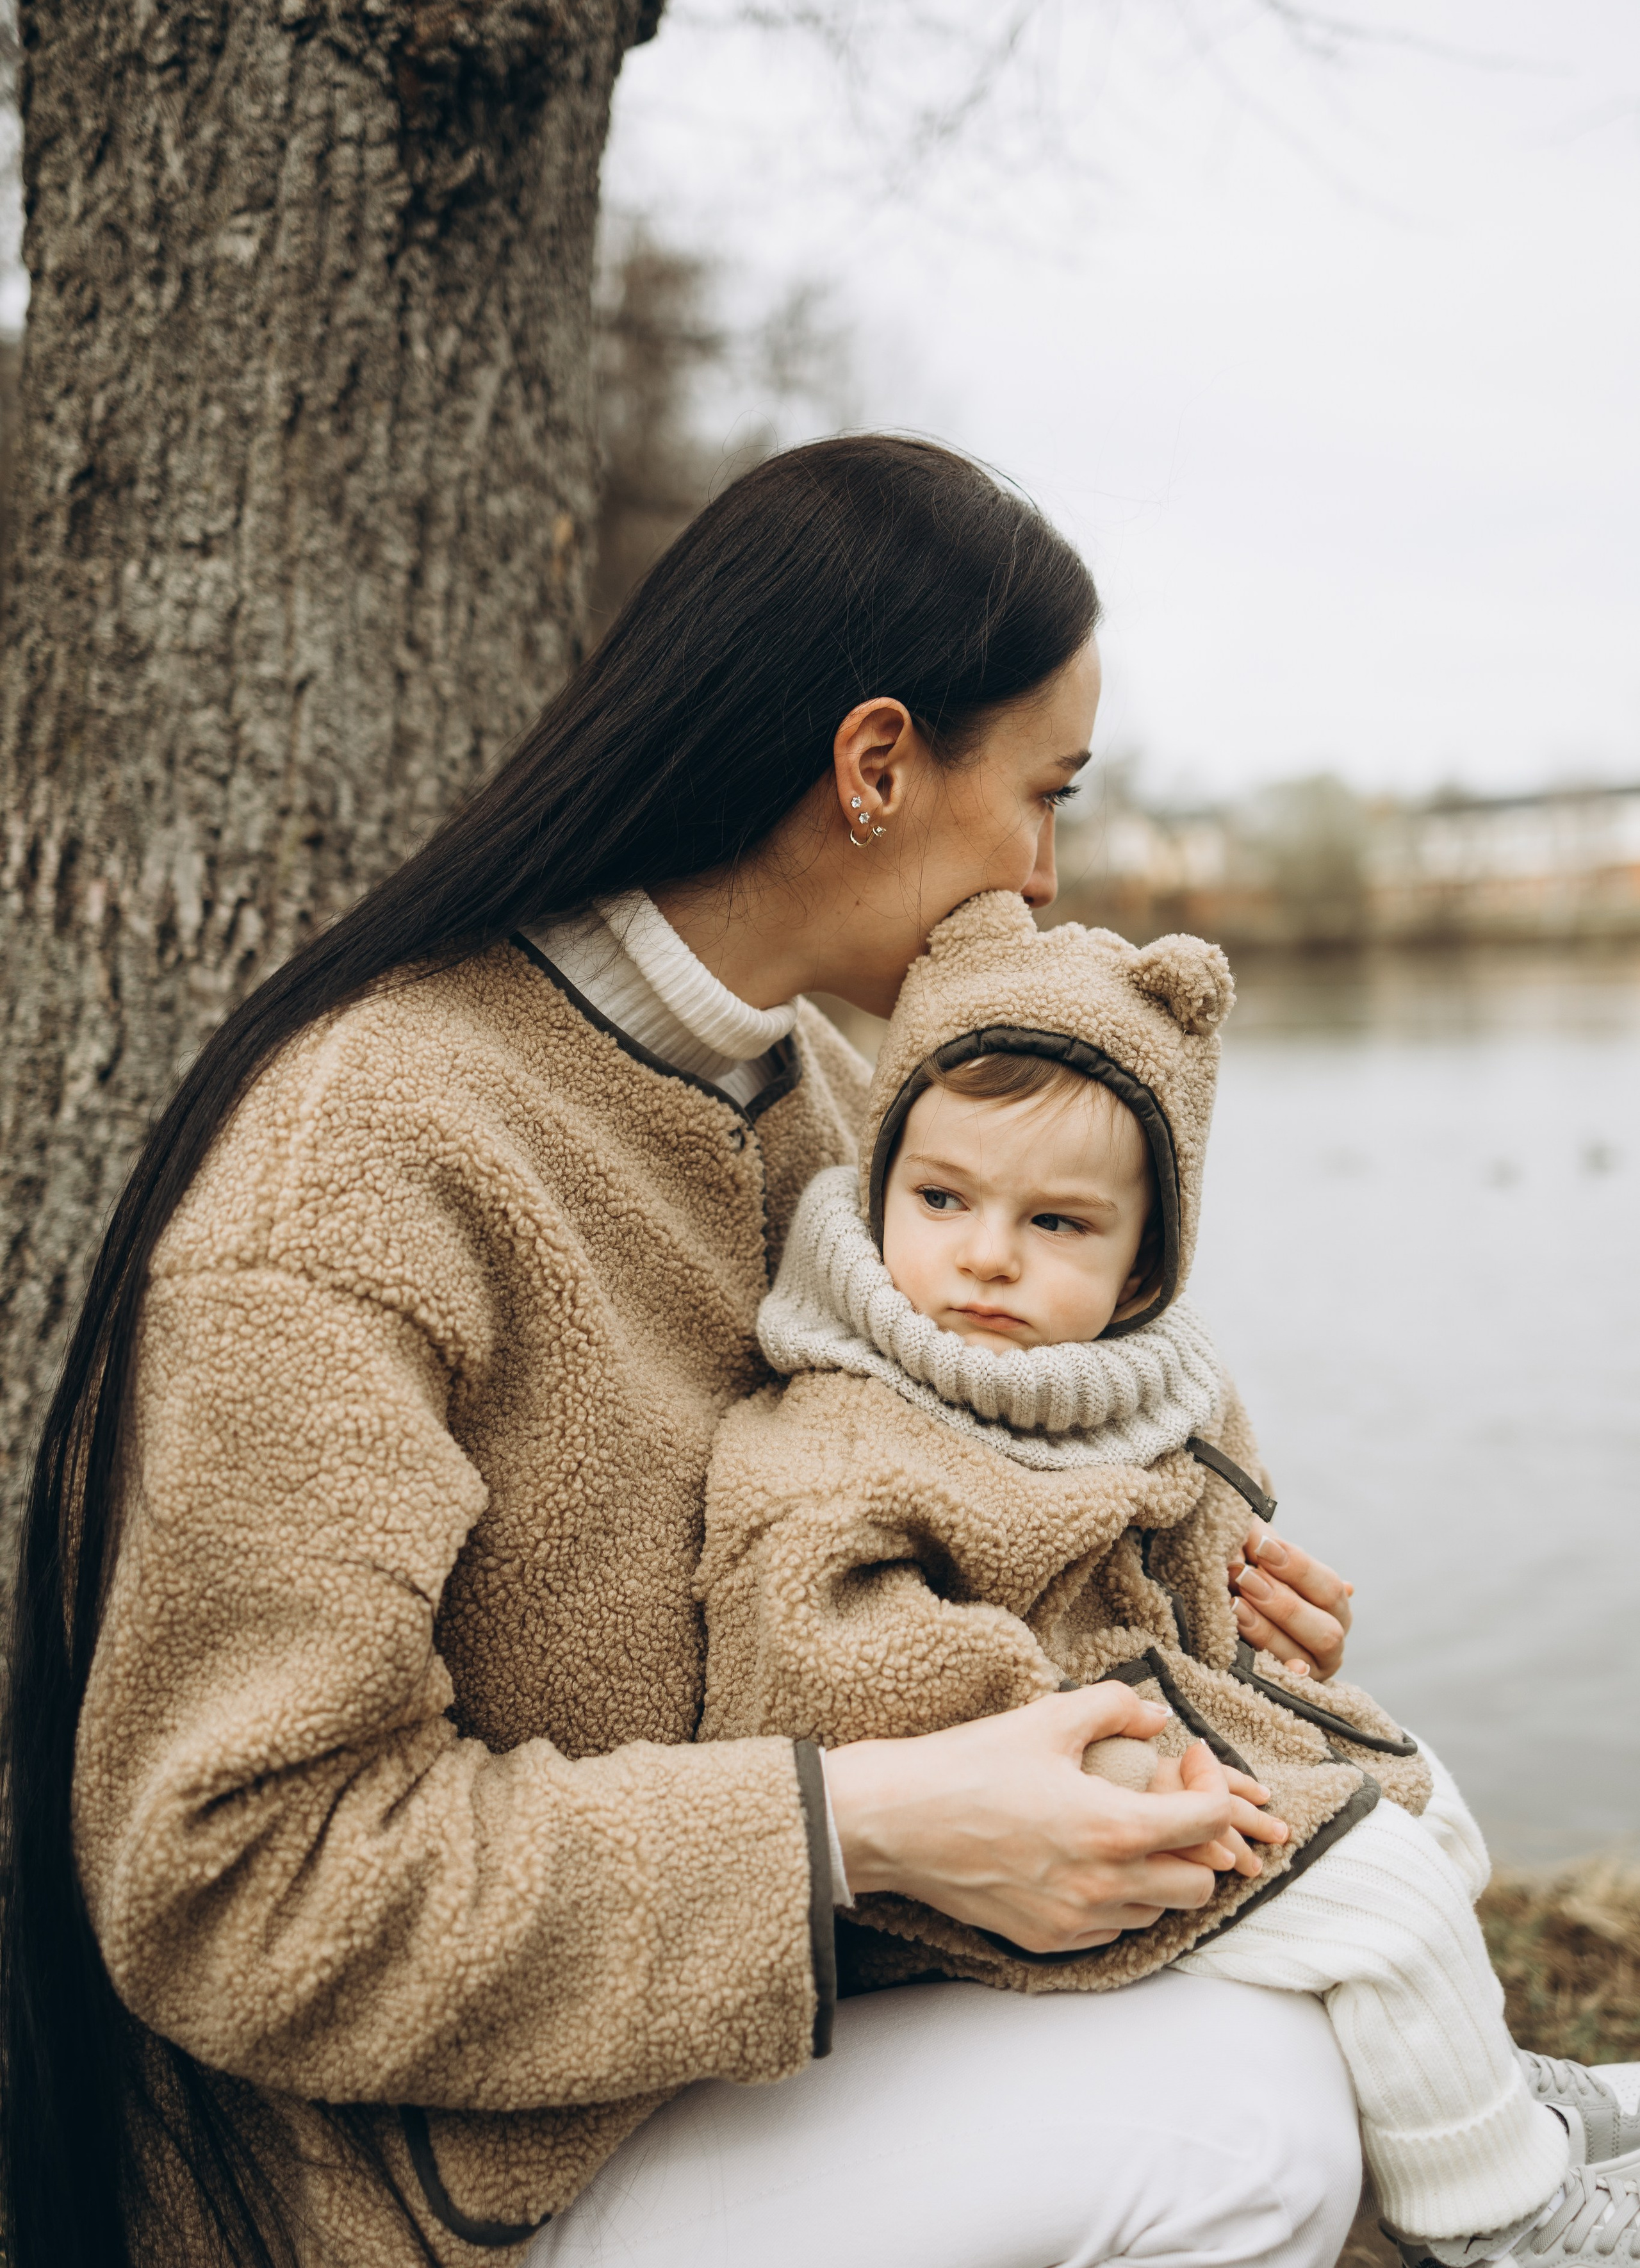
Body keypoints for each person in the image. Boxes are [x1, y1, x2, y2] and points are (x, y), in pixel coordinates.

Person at [1, 436, 1365, 2268]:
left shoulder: (837, 1113)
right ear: (875, 766)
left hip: (756, 2061)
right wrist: (860, 1830)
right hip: (434, 2186)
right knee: (1240, 2123)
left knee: (1347, 1978)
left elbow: (940, 1522)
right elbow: (236, 1881)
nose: (1044, 879)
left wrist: (1195, 1604)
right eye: (1042, 797)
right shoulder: (368, 1161)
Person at [698, 889, 1640, 2268]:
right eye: (941, 1198)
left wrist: (1256, 1638)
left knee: (1421, 1801)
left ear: (1144, 1262)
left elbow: (1188, 1560)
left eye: (1058, 1223)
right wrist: (1103, 1741)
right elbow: (829, 1663)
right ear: (883, 1178)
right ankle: (1501, 2222)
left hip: (1142, 1725)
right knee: (1374, 1888)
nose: (984, 1256)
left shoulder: (1130, 1385)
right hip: (986, 1828)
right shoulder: (848, 1428)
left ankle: (1473, 2091)